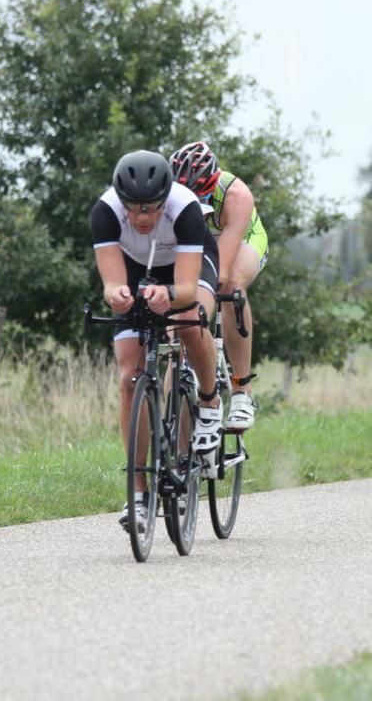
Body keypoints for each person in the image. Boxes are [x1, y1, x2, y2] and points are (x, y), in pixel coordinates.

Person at [90, 150, 223, 530]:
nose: (144, 217)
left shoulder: (185, 210)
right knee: (129, 376)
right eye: (135, 209)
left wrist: (170, 295)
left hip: (185, 266)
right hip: (136, 266)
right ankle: (137, 494)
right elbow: (113, 283)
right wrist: (116, 295)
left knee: (187, 319)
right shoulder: (105, 213)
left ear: (166, 198)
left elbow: (184, 289)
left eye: (151, 208)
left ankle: (209, 402)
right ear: (121, 201)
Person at [170, 141, 268, 431]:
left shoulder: (236, 195)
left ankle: (241, 389)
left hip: (243, 238)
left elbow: (221, 273)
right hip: (197, 240)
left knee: (230, 286)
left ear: (213, 184)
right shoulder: (168, 197)